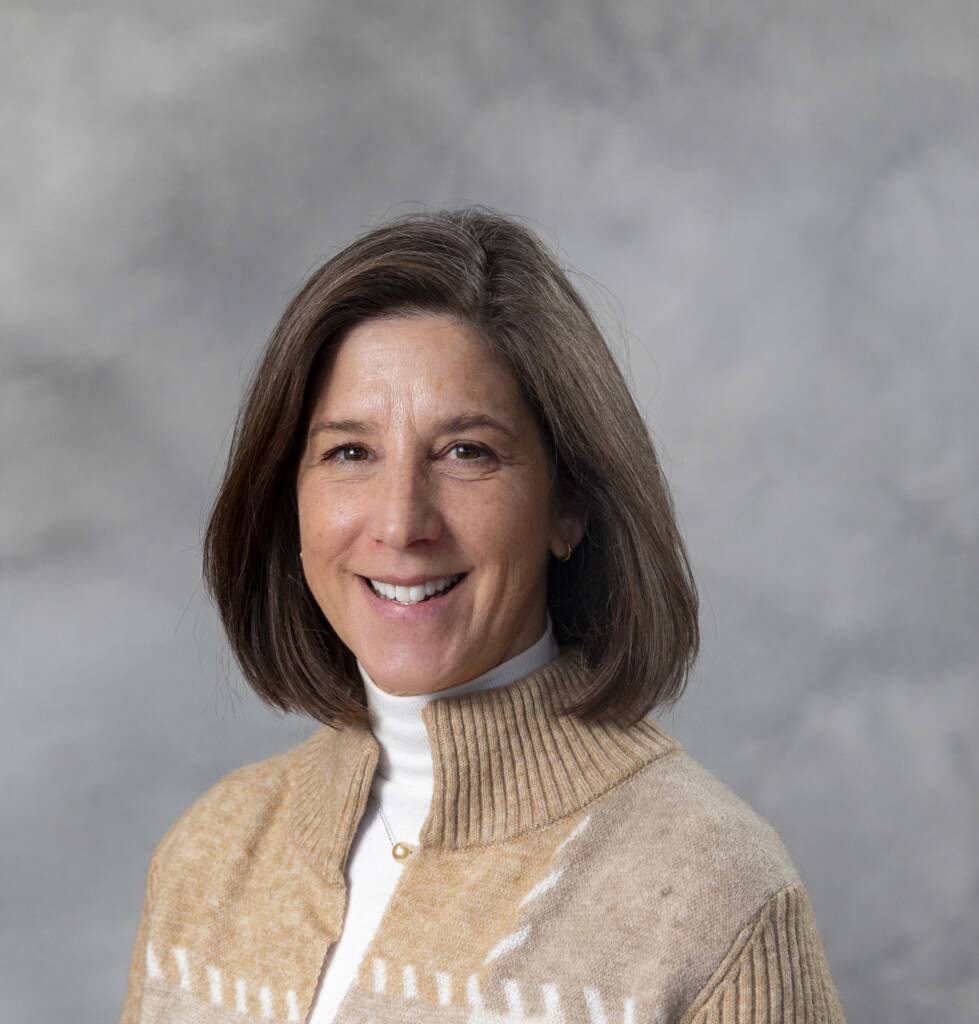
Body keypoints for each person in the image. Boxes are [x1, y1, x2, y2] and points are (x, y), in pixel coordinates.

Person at [119, 206, 847, 1024]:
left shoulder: (713, 892)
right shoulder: (211, 852)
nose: (400, 523)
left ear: (568, 504)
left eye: (467, 451)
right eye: (349, 453)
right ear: (290, 500)